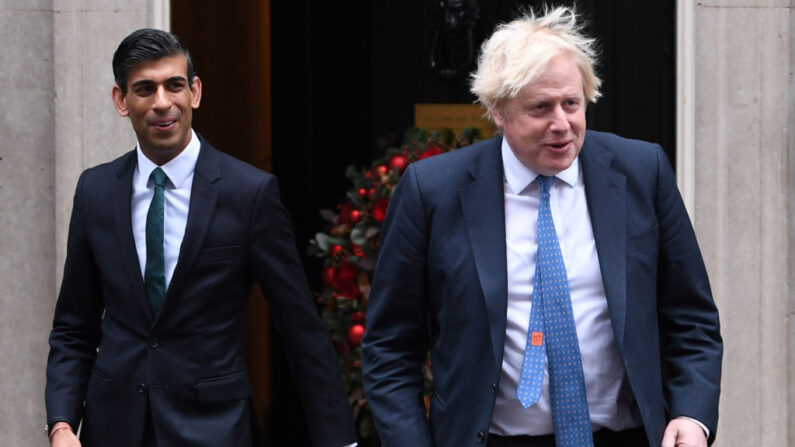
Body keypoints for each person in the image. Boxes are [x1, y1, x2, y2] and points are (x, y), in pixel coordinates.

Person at [362, 7, 721, 447]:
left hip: (623, 436)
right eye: (539, 108)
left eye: (571, 103)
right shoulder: (433, 191)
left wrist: (691, 414)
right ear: (498, 111)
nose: (561, 124)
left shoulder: (642, 172)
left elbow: (692, 318)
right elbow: (390, 347)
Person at [44, 28, 357, 447]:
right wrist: (62, 423)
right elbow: (74, 327)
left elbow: (299, 324)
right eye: (144, 89)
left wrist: (339, 439)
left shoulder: (249, 193)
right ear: (121, 100)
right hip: (113, 427)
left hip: (214, 427)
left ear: (195, 91)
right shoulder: (96, 191)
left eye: (174, 85)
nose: (161, 103)